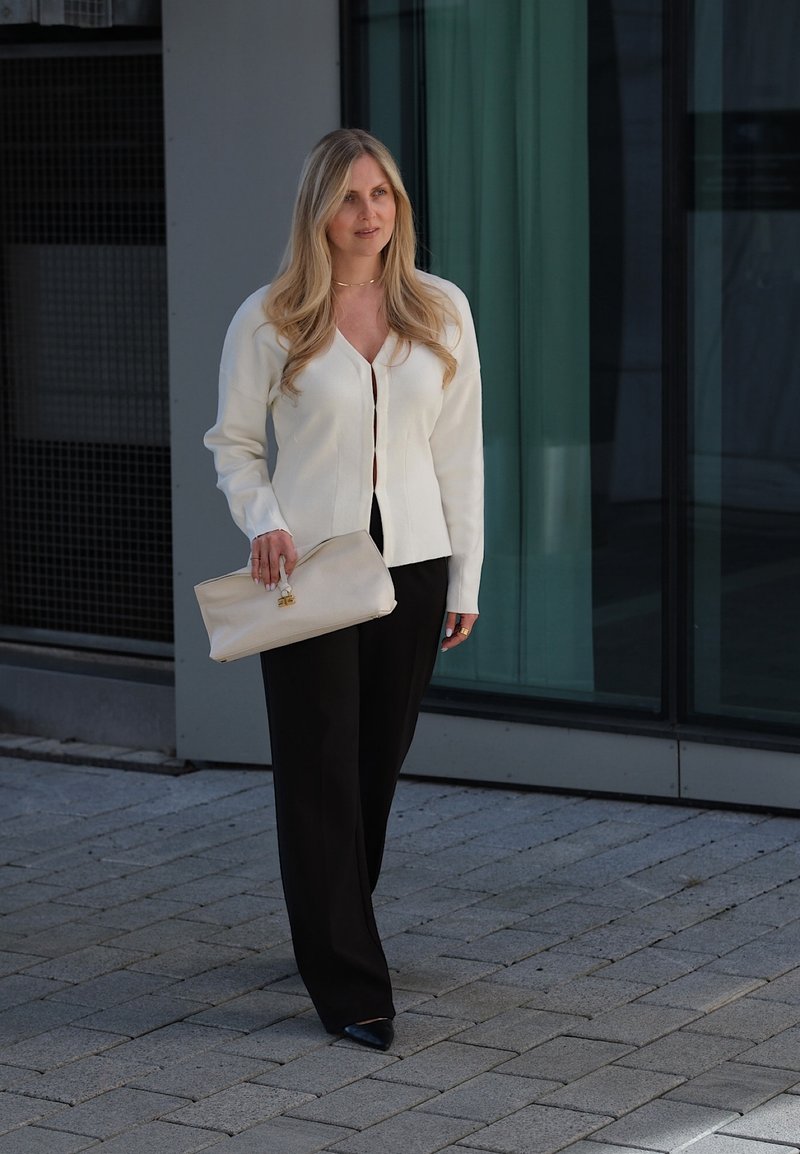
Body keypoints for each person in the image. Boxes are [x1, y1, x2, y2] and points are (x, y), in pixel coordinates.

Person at [205, 128, 483, 1052]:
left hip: (412, 562)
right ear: (318, 211)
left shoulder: (440, 311)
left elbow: (460, 454)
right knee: (319, 768)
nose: (370, 214)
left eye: (383, 195)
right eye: (351, 197)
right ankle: (351, 982)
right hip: (309, 568)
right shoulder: (273, 316)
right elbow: (235, 446)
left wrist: (466, 573)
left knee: (373, 764)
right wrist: (264, 520)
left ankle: (327, 921)